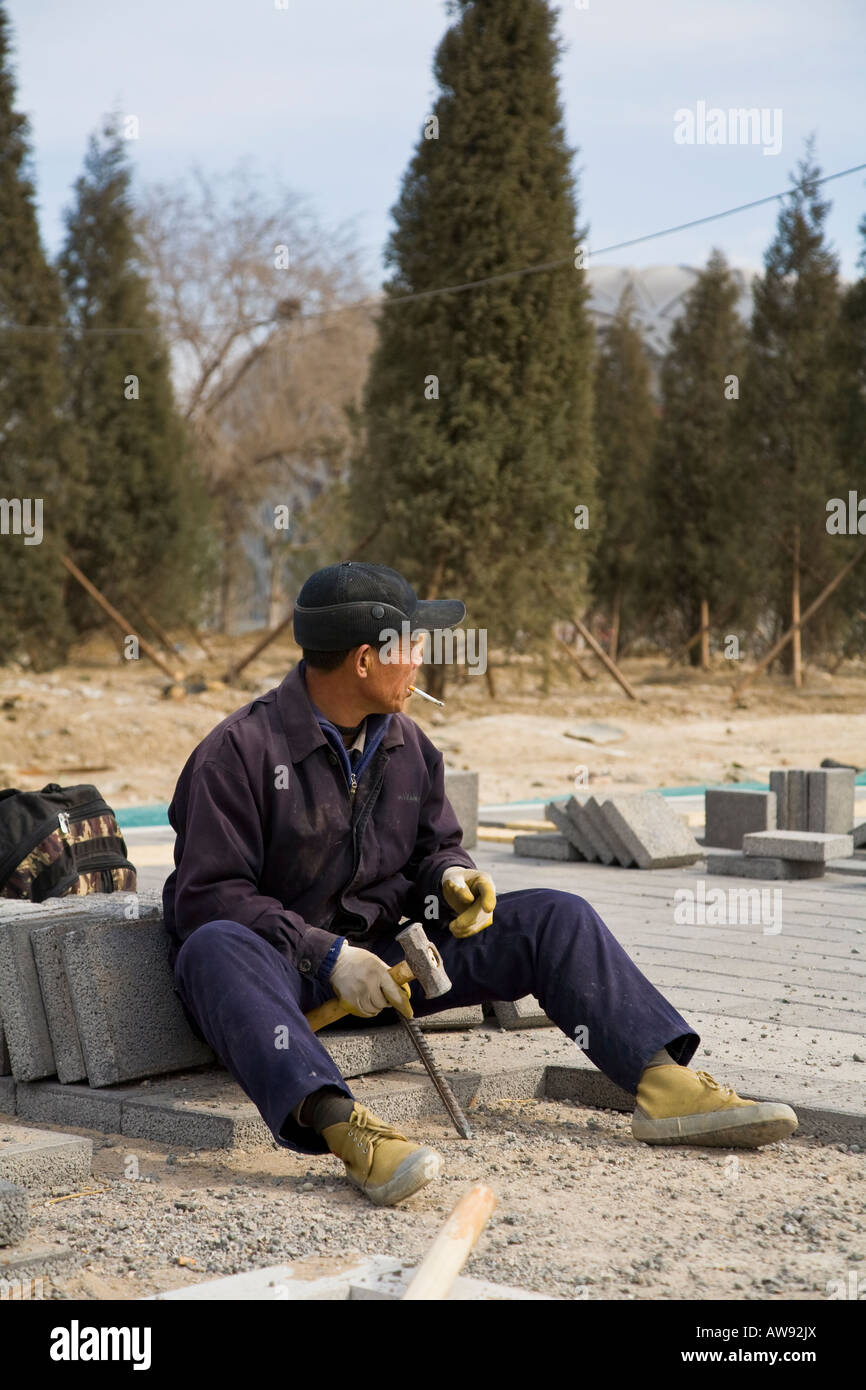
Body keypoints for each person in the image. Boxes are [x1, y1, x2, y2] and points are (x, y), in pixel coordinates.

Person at [163, 561, 797, 1208]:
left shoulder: (407, 744)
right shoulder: (238, 755)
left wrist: (454, 881)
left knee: (557, 915)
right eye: (411, 645)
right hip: (281, 980)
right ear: (363, 661)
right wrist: (324, 955)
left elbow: (431, 851)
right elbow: (209, 896)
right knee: (211, 947)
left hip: (393, 970)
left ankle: (663, 1084)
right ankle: (346, 1129)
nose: (421, 660)